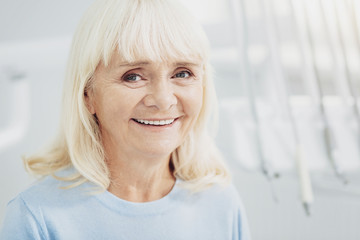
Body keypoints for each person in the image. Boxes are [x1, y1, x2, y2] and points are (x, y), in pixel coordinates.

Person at [0, 0, 251, 239]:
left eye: (182, 73)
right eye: (133, 76)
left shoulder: (221, 204)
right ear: (88, 94)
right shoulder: (36, 218)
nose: (163, 100)